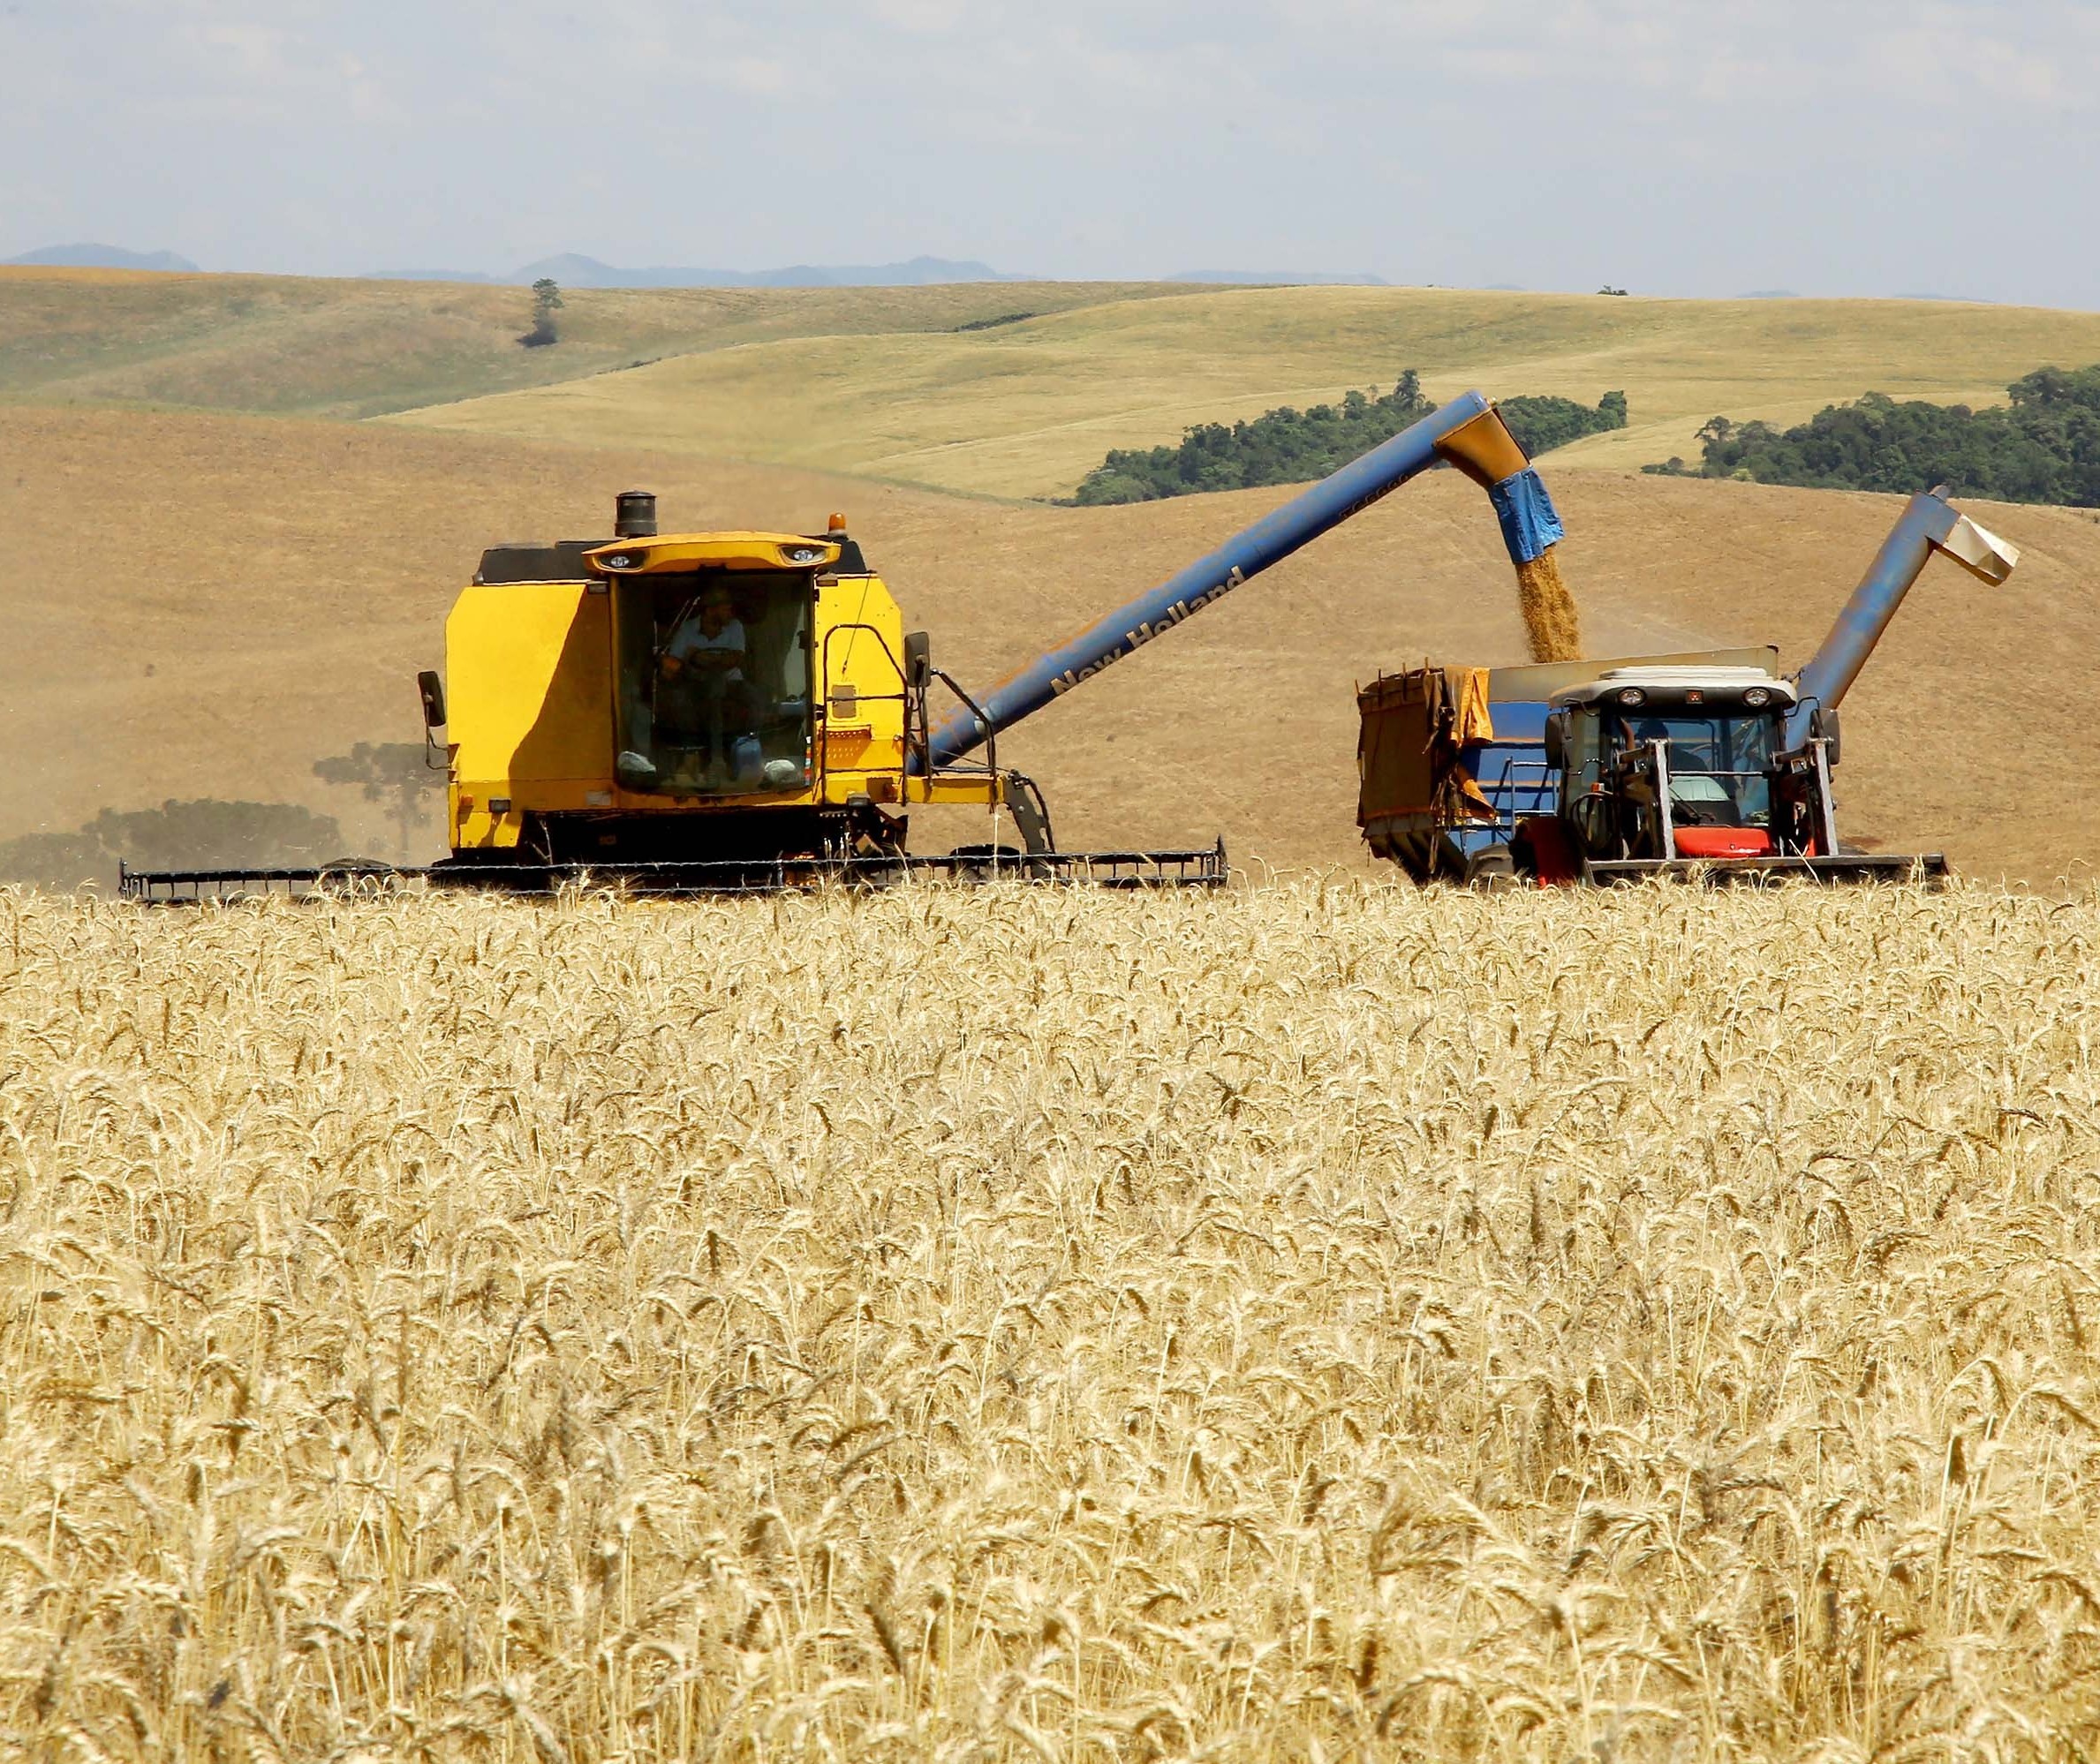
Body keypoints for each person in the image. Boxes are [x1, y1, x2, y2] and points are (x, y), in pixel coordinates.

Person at [659, 586, 750, 782]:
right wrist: (674, 665)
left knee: (755, 697)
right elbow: (674, 662)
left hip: (733, 684)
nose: (730, 613)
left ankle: (726, 758)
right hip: (695, 685)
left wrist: (699, 655)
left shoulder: (735, 627)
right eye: (725, 609)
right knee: (679, 699)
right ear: (710, 610)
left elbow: (733, 660)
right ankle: (692, 754)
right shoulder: (688, 629)